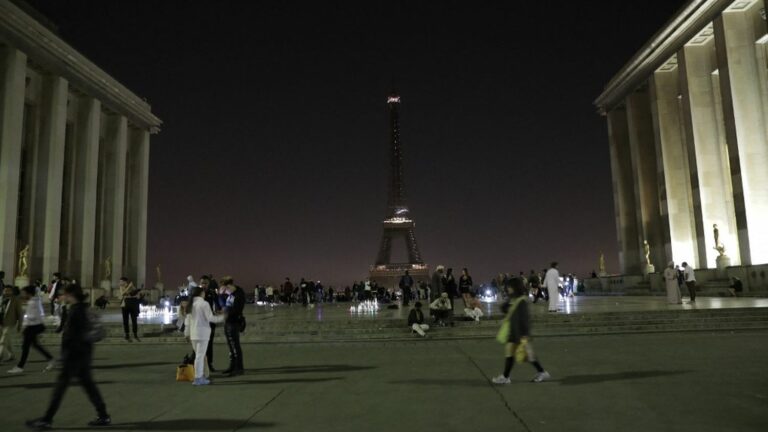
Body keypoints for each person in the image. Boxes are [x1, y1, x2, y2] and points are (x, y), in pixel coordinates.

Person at [25, 283, 111, 430]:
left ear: (71, 295)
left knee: (60, 389)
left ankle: (47, 419)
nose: (61, 296)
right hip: (83, 354)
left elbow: (71, 336)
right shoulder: (82, 309)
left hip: (74, 356)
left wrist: (65, 355)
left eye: (63, 294)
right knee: (88, 386)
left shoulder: (76, 311)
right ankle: (103, 415)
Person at [492, 278, 550, 385]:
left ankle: (541, 372)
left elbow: (525, 319)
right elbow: (505, 310)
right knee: (512, 353)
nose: (507, 289)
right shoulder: (513, 299)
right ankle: (506, 376)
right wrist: (507, 302)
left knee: (527, 355)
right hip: (513, 332)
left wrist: (525, 335)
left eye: (509, 287)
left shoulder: (522, 301)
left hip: (519, 333)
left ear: (515, 287)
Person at [8, 286, 55, 374]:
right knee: (34, 346)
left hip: (33, 327)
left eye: (24, 293)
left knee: (26, 347)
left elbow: (33, 316)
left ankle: (20, 366)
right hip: (34, 327)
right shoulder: (35, 301)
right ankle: (50, 359)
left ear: (28, 293)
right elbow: (38, 314)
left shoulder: (32, 303)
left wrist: (26, 316)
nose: (22, 294)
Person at [184, 287, 226, 386]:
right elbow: (210, 318)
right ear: (201, 293)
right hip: (203, 334)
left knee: (199, 356)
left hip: (193, 334)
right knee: (200, 356)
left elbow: (187, 322)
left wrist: (187, 333)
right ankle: (198, 378)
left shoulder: (191, 305)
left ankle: (200, 376)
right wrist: (223, 317)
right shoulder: (204, 304)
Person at [221, 277, 245, 377]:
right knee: (231, 346)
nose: (225, 292)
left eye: (225, 289)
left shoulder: (239, 294)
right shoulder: (230, 294)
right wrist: (221, 295)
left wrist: (226, 312)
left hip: (234, 322)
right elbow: (224, 305)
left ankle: (238, 368)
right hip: (228, 322)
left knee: (235, 346)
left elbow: (237, 309)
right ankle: (232, 366)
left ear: (229, 286)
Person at [200, 276, 220, 372]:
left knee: (209, 343)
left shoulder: (212, 293)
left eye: (206, 283)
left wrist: (217, 311)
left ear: (209, 284)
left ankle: (209, 364)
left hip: (210, 322)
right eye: (202, 283)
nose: (204, 285)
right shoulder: (197, 294)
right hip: (200, 322)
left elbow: (218, 305)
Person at [0, 285, 23, 362]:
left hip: (10, 323)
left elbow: (20, 314)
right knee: (7, 340)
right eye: (5, 290)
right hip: (1, 323)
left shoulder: (16, 300)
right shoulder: (0, 299)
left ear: (12, 291)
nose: (6, 292)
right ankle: (11, 355)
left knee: (3, 340)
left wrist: (20, 324)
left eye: (9, 290)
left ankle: (0, 356)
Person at [119, 277, 141, 342]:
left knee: (134, 320)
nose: (120, 283)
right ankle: (127, 335)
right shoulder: (121, 287)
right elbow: (122, 293)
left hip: (132, 304)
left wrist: (131, 292)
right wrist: (129, 287)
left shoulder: (132, 286)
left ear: (125, 282)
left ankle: (135, 335)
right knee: (125, 321)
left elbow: (137, 294)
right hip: (125, 305)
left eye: (121, 281)